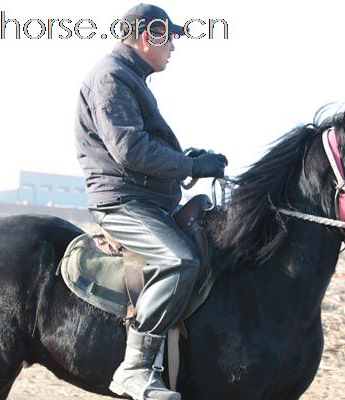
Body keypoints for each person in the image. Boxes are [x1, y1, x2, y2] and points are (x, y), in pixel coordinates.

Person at [74, 4, 227, 400]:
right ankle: (135, 369)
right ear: (149, 37)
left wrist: (188, 159)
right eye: (169, 38)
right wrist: (189, 164)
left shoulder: (130, 77)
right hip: (123, 201)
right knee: (179, 259)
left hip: (145, 197)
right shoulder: (112, 77)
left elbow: (145, 147)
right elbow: (130, 149)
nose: (173, 47)